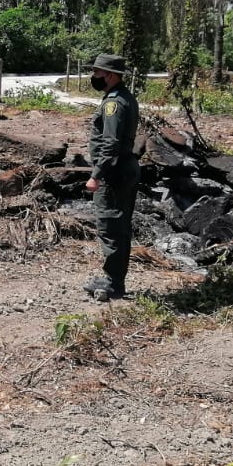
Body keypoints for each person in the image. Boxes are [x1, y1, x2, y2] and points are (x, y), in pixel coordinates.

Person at [83, 54, 140, 301]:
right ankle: (115, 278)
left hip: (114, 173)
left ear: (110, 75)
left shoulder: (114, 104)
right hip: (124, 169)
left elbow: (110, 143)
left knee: (110, 226)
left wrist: (97, 175)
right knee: (120, 227)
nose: (94, 76)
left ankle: (113, 283)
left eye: (97, 72)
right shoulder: (125, 97)